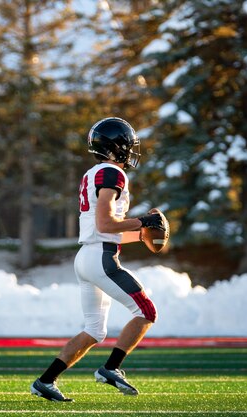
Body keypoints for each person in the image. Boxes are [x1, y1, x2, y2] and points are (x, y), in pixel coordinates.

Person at [30, 117, 166, 402]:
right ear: (117, 147)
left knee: (94, 329)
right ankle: (111, 368)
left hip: (89, 256)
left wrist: (142, 234)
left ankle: (46, 380)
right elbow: (106, 225)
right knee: (146, 312)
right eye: (128, 146)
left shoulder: (94, 173)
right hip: (100, 258)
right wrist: (142, 221)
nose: (131, 151)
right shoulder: (112, 173)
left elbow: (104, 229)